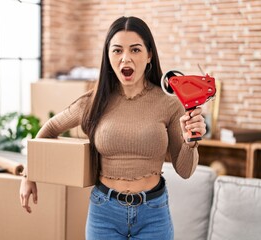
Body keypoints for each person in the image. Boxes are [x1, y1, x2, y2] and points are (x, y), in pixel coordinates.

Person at [20, 16, 206, 240]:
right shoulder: (94, 101)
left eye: (135, 50)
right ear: (108, 57)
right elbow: (49, 129)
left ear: (149, 55)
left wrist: (191, 141)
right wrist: (28, 175)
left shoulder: (169, 103)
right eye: (117, 50)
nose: (125, 58)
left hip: (153, 214)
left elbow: (185, 171)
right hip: (104, 212)